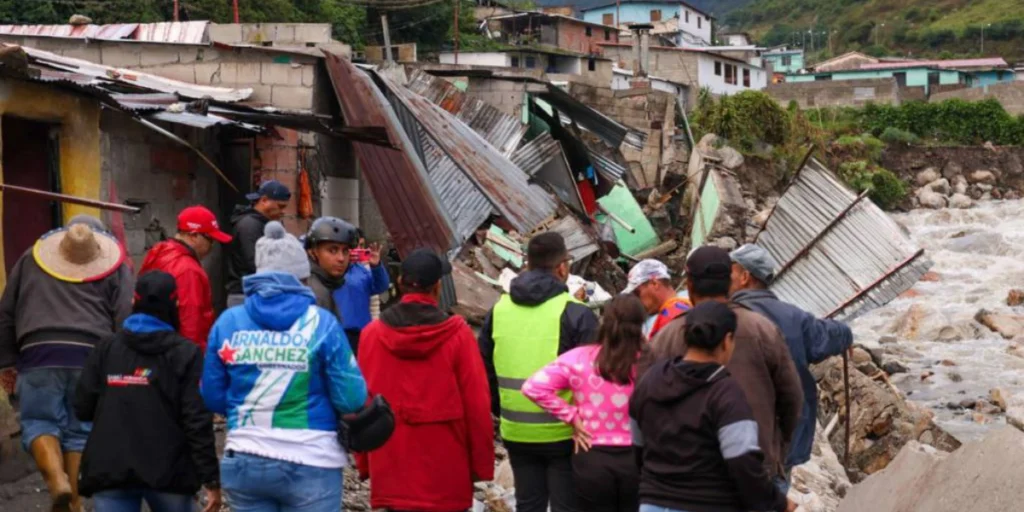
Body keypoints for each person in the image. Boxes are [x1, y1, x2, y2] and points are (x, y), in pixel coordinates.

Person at [201, 221, 367, 512]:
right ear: (302, 276)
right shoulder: (321, 323)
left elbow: (212, 396)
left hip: (245, 459)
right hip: (313, 459)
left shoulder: (228, 322)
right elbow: (352, 398)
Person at [0, 218, 133, 512]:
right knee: (80, 429)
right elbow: (124, 314)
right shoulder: (117, 267)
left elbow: (6, 311)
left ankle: (56, 480)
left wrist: (7, 361)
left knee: (39, 422)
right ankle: (73, 501)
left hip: (38, 352)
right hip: (91, 354)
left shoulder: (30, 259)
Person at [647, 246, 803, 487]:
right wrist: (777, 447)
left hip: (691, 473)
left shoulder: (666, 337)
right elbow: (792, 397)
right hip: (757, 467)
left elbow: (648, 404)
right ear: (729, 282)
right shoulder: (762, 329)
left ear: (689, 285)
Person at [355, 248, 494, 512]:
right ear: (438, 287)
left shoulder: (371, 335)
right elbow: (477, 406)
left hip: (391, 470)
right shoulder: (458, 336)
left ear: (399, 282)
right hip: (446, 472)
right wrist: (481, 468)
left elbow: (362, 404)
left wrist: (364, 462)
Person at [74, 271, 221, 512]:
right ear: (175, 304)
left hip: (111, 469)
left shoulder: (106, 348)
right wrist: (211, 479)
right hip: (169, 473)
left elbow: (82, 406)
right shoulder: (186, 353)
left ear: (134, 301)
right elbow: (196, 420)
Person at [631, 301, 797, 512]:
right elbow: (742, 461)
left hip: (652, 503)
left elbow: (637, 444)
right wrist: (777, 501)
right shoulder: (726, 393)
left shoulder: (651, 380)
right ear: (727, 341)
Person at [478, 232, 599, 512]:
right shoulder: (576, 313)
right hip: (564, 433)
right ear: (562, 268)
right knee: (566, 506)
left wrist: (502, 408)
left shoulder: (499, 310)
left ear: (527, 265)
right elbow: (594, 381)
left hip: (516, 431)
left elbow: (484, 368)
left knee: (529, 504)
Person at [728, 243, 853, 487]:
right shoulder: (794, 317)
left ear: (744, 277)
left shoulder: (725, 316)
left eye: (729, 271)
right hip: (784, 439)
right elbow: (826, 335)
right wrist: (846, 334)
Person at [521, 294, 646, 512]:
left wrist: (572, 417)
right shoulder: (650, 361)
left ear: (604, 322)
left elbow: (532, 387)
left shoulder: (578, 358)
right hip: (639, 456)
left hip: (591, 454)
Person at [140, 206, 233, 350]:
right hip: (179, 352)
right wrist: (193, 357)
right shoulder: (188, 270)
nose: (212, 246)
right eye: (210, 239)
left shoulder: (159, 253)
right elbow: (191, 324)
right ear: (194, 236)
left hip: (155, 347)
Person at [225, 180, 292, 305]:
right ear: (264, 200)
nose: (282, 211)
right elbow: (255, 262)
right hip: (245, 294)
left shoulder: (260, 223)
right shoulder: (249, 225)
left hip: (254, 292)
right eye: (280, 206)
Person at [334, 235, 389, 355]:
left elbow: (381, 286)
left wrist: (376, 266)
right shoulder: (329, 271)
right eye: (354, 247)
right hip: (336, 332)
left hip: (361, 333)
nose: (358, 250)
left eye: (361, 246)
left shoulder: (362, 270)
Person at [304, 216, 359, 319]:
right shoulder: (317, 294)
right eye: (332, 251)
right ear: (312, 252)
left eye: (345, 251)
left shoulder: (325, 284)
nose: (341, 258)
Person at [621, 259, 692, 338]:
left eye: (637, 293)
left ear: (654, 284)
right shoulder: (689, 300)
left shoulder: (669, 318)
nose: (636, 300)